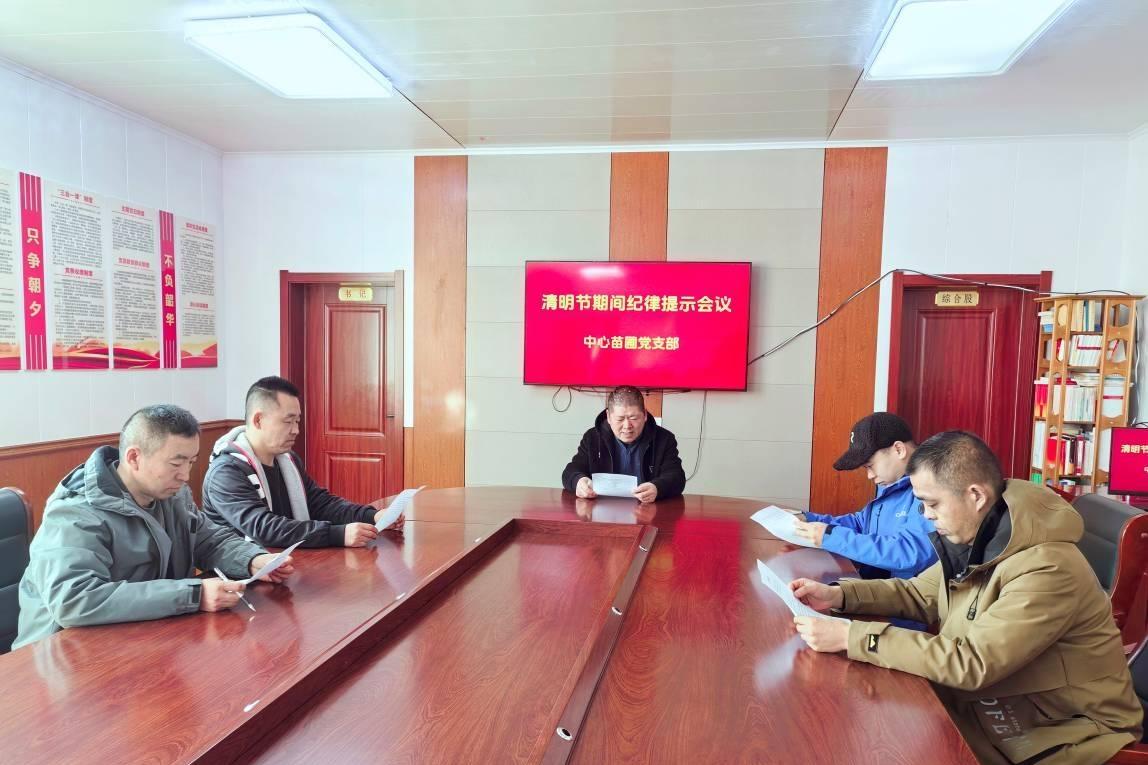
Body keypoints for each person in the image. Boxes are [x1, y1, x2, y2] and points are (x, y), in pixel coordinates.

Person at [790, 431, 1142, 765]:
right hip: (1000, 703)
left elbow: (972, 663)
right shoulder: (979, 537)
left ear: (975, 496)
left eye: (932, 504)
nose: (926, 515)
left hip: (1065, 731)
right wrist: (840, 595)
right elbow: (919, 593)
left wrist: (854, 637)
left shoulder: (1048, 568)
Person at [14, 405, 293, 650]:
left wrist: (253, 560)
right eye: (176, 463)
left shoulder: (171, 494)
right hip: (64, 658)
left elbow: (208, 540)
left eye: (191, 462)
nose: (185, 475)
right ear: (134, 458)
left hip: (143, 639)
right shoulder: (75, 513)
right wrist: (192, 595)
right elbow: (74, 600)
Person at [202, 376, 405, 548]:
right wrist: (337, 534)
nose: (296, 430)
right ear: (258, 420)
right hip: (240, 574)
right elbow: (264, 527)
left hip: (285, 561)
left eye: (297, 421)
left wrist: (372, 516)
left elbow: (320, 504)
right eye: (287, 421)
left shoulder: (288, 460)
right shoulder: (226, 472)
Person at [793, 412, 936, 580]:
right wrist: (808, 519)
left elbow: (909, 553)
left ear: (898, 449)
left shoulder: (932, 488)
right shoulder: (890, 482)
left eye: (870, 465)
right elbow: (862, 524)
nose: (869, 475)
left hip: (904, 593)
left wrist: (831, 537)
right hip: (872, 587)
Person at [561, 385, 686, 503]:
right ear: (608, 417)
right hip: (602, 508)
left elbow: (677, 477)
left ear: (645, 415)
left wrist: (657, 488)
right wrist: (578, 481)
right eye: (620, 419)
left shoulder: (664, 439)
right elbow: (570, 471)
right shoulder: (593, 438)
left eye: (633, 418)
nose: (627, 426)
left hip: (646, 509)